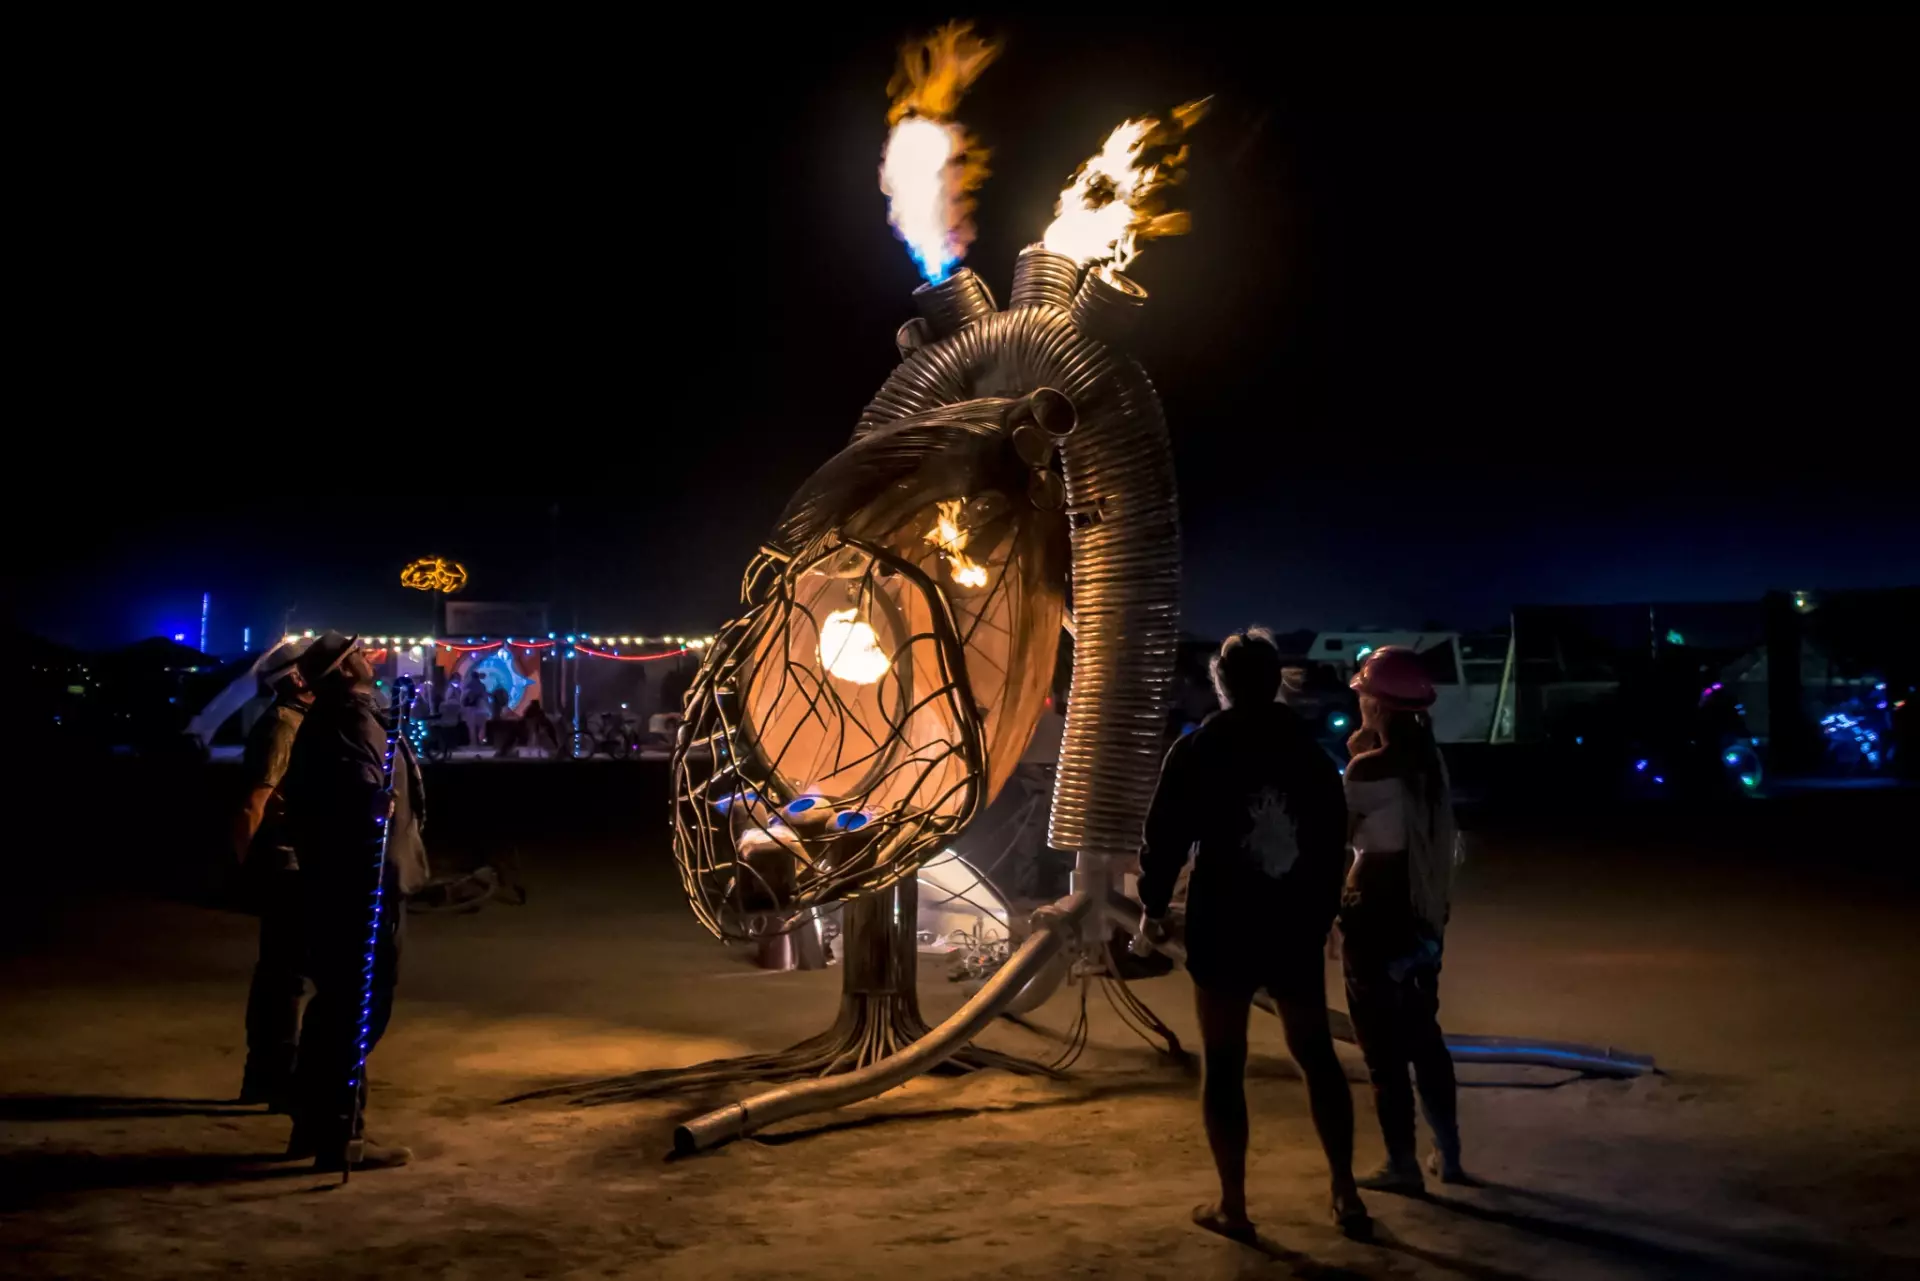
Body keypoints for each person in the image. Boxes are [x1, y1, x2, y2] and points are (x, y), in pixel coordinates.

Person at [1138, 629, 1368, 1240]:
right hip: (1292, 922)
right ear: (1276, 684)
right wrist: (1322, 916)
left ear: (1222, 684)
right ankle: (1346, 1194)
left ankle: (1234, 1206)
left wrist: (1153, 905)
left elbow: (1164, 838)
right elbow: (1330, 844)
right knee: (1315, 1054)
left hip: (1224, 922)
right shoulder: (1312, 754)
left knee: (1224, 1061)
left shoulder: (1198, 749)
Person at [280, 633, 429, 1172]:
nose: (371, 660)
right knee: (358, 1007)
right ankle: (340, 1134)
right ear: (347, 671)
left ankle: (312, 1122)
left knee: (339, 1006)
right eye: (361, 656)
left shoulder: (354, 716)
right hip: (360, 886)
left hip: (353, 881)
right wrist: (371, 806)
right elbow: (349, 804)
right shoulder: (344, 722)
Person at [1340, 645, 1468, 1191]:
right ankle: (1450, 1154)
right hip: (1421, 915)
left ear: (1377, 703)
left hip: (1373, 910)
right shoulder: (1430, 767)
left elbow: (1338, 834)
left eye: (1364, 694)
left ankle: (1401, 1164)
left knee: (1381, 1049)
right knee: (1424, 1036)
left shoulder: (1369, 768)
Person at [228, 641, 314, 1107]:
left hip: (288, 863)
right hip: (285, 866)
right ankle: (272, 1075)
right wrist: (248, 868)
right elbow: (252, 804)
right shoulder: (284, 724)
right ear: (297, 679)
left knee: (284, 975)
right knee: (286, 977)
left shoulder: (295, 721)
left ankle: (265, 1075)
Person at [461, 671, 490, 751]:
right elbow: (485, 698)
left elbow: (463, 699)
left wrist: (462, 708)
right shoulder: (482, 686)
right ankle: (481, 743)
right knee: (482, 727)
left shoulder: (467, 686)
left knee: (472, 727)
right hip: (482, 708)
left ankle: (473, 744)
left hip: (470, 709)